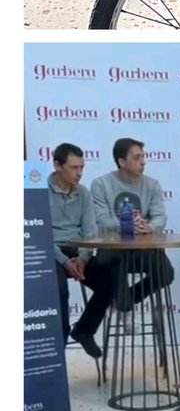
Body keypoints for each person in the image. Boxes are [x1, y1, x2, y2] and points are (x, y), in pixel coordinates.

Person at [48, 142, 116, 359]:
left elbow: (90, 233)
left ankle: (84, 330)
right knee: (59, 290)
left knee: (110, 281)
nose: (79, 173)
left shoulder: (83, 193)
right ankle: (60, 345)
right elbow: (37, 235)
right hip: (50, 252)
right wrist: (64, 261)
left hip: (78, 251)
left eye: (82, 167)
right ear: (58, 166)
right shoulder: (36, 190)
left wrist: (83, 258)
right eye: (74, 167)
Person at [90, 137, 174, 308]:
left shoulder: (152, 184)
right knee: (112, 263)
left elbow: (160, 217)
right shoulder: (101, 184)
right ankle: (124, 305)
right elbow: (101, 220)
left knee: (165, 272)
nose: (143, 162)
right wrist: (126, 227)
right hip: (112, 248)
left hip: (142, 248)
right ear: (121, 161)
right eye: (137, 158)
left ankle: (123, 302)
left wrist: (149, 227)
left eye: (143, 157)